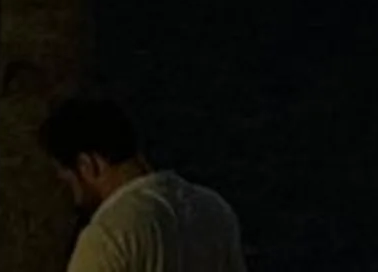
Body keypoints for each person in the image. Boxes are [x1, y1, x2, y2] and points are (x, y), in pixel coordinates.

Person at [36, 99, 245, 272]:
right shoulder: (214, 210)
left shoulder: (108, 235)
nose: (72, 196)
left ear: (88, 165)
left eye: (68, 180)